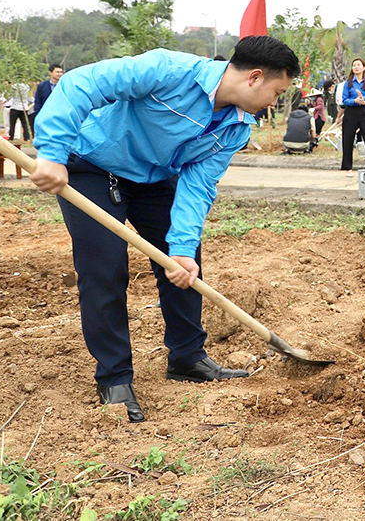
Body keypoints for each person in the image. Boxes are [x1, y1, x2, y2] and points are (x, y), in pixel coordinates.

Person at [30, 36, 299, 422]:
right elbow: (80, 84)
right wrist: (53, 153)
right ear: (255, 78)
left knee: (184, 266)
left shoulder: (237, 127)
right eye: (277, 92)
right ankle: (115, 378)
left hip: (154, 178)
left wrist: (182, 248)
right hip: (92, 165)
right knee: (104, 267)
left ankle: (188, 358)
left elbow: (198, 185)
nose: (275, 103)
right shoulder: (168, 70)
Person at [340, 58, 365, 171]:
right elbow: (344, 99)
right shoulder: (349, 82)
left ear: (363, 67)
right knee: (348, 139)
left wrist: (363, 99)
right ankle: (347, 166)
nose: (356, 67)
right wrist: (355, 101)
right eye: (354, 65)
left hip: (363, 111)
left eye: (358, 65)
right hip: (351, 112)